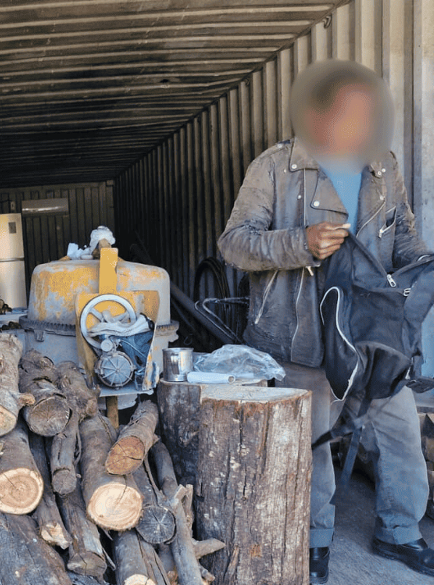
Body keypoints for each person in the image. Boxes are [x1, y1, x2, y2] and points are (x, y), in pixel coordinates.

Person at [217, 59, 434, 584]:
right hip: (302, 340)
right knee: (311, 443)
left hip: (371, 337)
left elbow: (403, 236)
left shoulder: (382, 164)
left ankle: (398, 531)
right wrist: (301, 243)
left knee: (402, 433)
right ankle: (313, 541)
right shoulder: (276, 167)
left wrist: (422, 267)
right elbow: (234, 244)